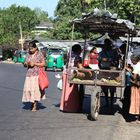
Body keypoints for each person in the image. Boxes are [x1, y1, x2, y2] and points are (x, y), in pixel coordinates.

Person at [60, 44, 86, 112]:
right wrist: (88, 71)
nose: (81, 51)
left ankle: (64, 107)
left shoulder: (69, 55)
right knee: (71, 92)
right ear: (78, 50)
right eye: (80, 50)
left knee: (65, 91)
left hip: (65, 73)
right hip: (72, 75)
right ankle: (71, 108)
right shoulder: (77, 57)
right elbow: (80, 67)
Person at [22, 40, 46, 112]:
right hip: (29, 75)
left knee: (35, 90)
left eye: (32, 48)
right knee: (28, 89)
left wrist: (35, 64)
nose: (31, 50)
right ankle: (31, 103)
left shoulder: (40, 54)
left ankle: (34, 105)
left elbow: (44, 64)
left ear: (35, 48)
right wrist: (26, 64)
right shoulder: (28, 54)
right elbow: (24, 64)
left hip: (37, 75)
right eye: (29, 48)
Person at [98, 38, 118, 108]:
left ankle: (110, 103)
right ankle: (108, 103)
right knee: (105, 87)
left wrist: (108, 60)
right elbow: (99, 61)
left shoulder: (113, 52)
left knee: (111, 87)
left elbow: (116, 61)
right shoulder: (101, 53)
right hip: (105, 70)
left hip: (110, 70)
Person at [126, 54, 140, 123]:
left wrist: (129, 71)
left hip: (137, 86)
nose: (131, 62)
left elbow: (134, 77)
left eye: (132, 60)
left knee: (137, 101)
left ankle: (137, 119)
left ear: (135, 60)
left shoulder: (137, 66)